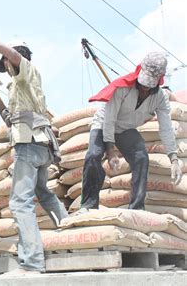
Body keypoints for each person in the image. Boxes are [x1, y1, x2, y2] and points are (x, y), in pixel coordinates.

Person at [0, 30, 69, 275]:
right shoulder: (20, 88)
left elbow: (13, 54)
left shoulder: (27, 71)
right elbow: (11, 120)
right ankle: (69, 233)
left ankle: (31, 263)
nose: (5, 66)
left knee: (19, 203)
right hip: (38, 146)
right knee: (43, 193)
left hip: (29, 147)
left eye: (6, 62)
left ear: (10, 61)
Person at [78, 52, 182, 213]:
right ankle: (88, 205)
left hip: (126, 130)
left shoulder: (160, 98)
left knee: (141, 158)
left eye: (150, 83)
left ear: (159, 80)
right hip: (104, 123)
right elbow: (110, 119)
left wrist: (173, 157)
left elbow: (166, 127)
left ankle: (137, 208)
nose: (145, 87)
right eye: (144, 81)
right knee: (93, 155)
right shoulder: (122, 87)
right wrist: (111, 152)